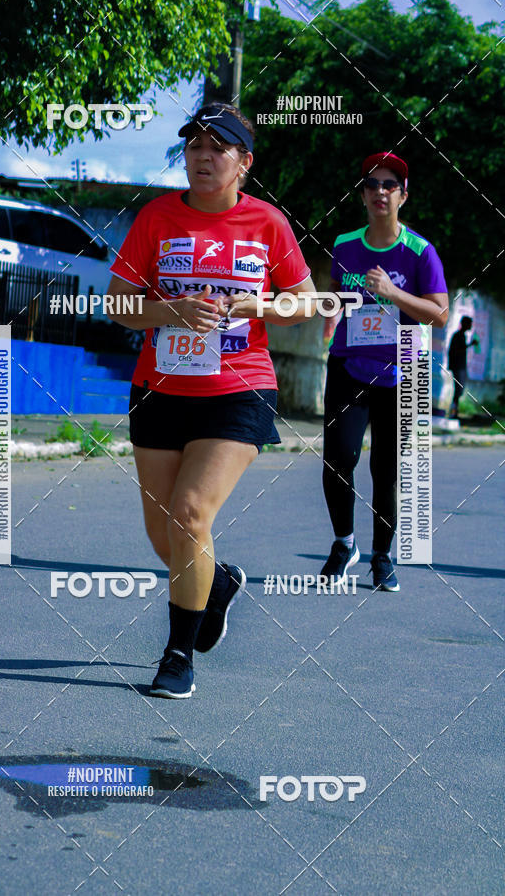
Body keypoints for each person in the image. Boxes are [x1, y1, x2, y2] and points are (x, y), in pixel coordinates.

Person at [106, 103, 316, 697]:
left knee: (190, 513)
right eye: (194, 145)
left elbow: (306, 302)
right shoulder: (156, 218)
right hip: (160, 388)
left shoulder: (267, 223)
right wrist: (171, 309)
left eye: (216, 147)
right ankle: (217, 584)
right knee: (165, 533)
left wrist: (259, 305)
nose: (201, 156)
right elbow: (117, 305)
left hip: (239, 388)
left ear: (243, 162)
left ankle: (177, 654)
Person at [321, 152, 448, 592]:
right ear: (362, 195)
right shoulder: (344, 245)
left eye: (389, 184)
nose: (379, 191)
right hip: (349, 365)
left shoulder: (420, 252)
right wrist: (330, 314)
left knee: (387, 468)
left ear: (403, 196)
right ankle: (344, 543)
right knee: (339, 457)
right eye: (371, 184)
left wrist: (393, 292)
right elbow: (338, 295)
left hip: (404, 368)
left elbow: (440, 315)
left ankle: (382, 555)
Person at [447, 316, 478, 419]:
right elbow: (455, 351)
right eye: (469, 324)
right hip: (457, 366)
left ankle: (455, 411)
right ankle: (453, 412)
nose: (470, 326)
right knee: (458, 390)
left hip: (461, 366)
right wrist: (470, 345)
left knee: (460, 390)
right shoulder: (458, 335)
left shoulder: (462, 336)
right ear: (464, 324)